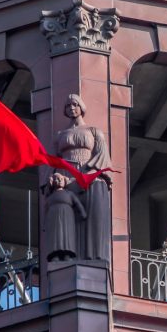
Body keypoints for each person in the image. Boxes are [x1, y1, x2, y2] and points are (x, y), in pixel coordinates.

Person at [55, 94, 113, 261]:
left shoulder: (94, 131)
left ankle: (92, 255)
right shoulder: (60, 134)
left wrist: (89, 172)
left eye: (74, 104)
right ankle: (66, 255)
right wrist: (56, 178)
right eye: (68, 106)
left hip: (88, 175)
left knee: (91, 216)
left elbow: (103, 156)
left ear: (81, 107)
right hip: (67, 175)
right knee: (67, 218)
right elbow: (53, 160)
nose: (71, 108)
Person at [44, 172, 87, 261]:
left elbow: (78, 203)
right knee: (55, 236)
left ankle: (67, 254)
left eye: (61, 178)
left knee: (67, 234)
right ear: (52, 182)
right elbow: (45, 211)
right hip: (53, 217)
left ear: (65, 181)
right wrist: (44, 225)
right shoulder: (50, 197)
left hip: (67, 216)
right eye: (57, 178)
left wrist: (83, 212)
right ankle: (55, 255)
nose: (59, 180)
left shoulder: (69, 194)